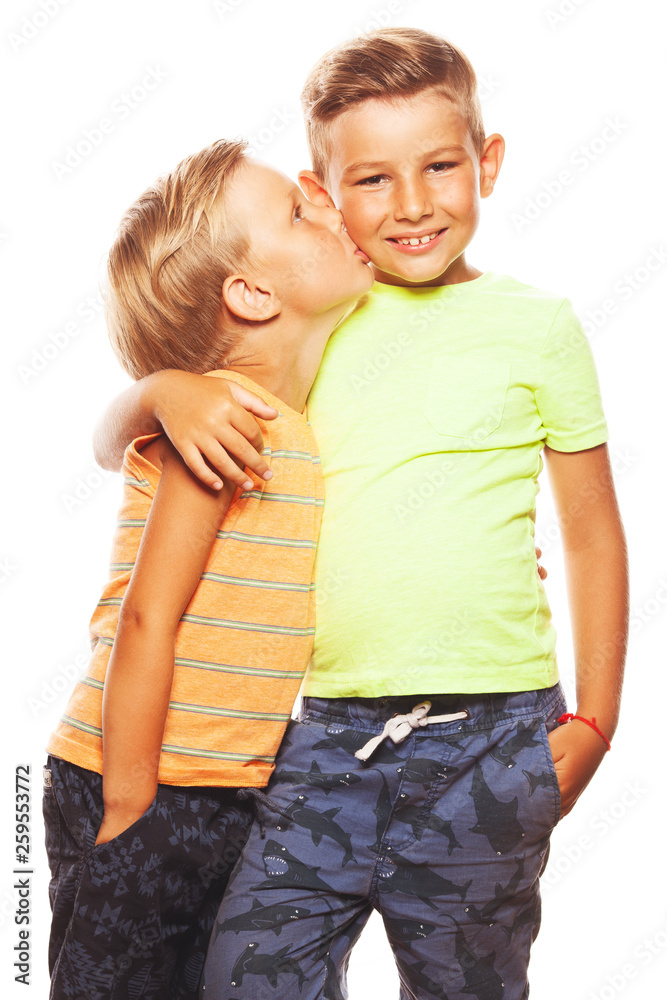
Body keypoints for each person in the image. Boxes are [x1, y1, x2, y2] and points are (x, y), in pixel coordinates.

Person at [93, 28, 629, 1000]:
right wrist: (163, 386)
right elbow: (144, 428)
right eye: (372, 179)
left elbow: (591, 533)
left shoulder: (537, 327)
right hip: (324, 738)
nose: (413, 203)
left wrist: (595, 721)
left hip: (494, 736)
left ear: (487, 161)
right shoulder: (324, 311)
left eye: (438, 166)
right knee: (247, 975)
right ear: (324, 189)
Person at [42, 137, 374, 1000]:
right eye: (298, 213)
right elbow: (150, 616)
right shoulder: (225, 419)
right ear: (251, 292)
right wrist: (127, 807)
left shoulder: (300, 423)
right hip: (143, 776)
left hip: (235, 790)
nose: (328, 207)